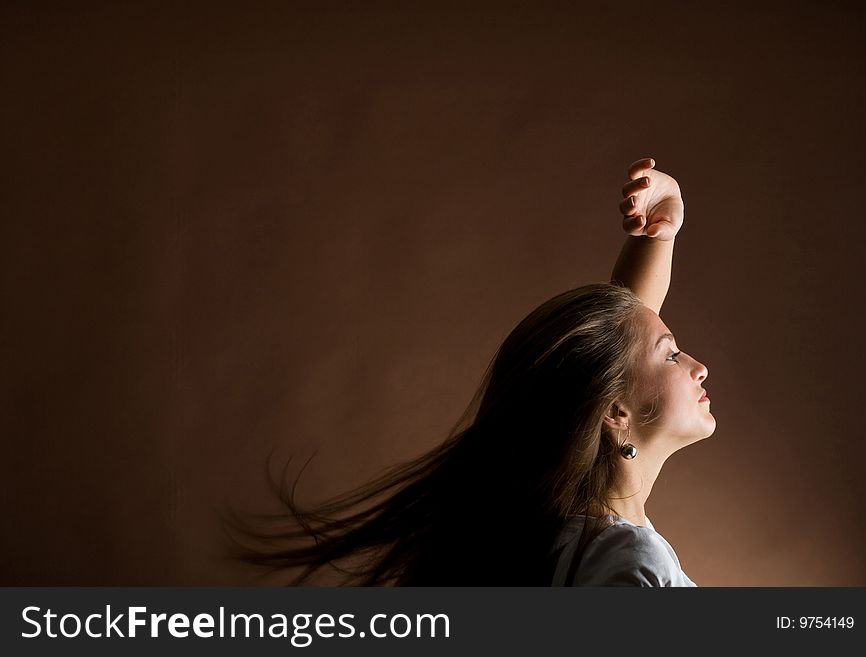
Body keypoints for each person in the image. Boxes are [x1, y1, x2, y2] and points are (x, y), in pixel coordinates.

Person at [224, 157, 715, 587]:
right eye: (673, 354)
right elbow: (617, 353)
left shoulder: (554, 535)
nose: (699, 367)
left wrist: (660, 236)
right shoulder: (627, 561)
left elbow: (615, 351)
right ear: (613, 410)